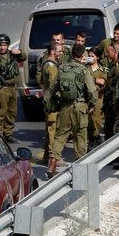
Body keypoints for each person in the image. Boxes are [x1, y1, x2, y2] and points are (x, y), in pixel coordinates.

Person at [46, 44, 97, 178]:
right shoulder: (83, 70)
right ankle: (80, 171)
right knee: (80, 137)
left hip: (64, 107)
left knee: (60, 136)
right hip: (80, 107)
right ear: (82, 56)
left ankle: (52, 165)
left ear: (72, 54)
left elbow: (51, 89)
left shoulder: (62, 68)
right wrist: (91, 105)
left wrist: (50, 105)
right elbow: (92, 91)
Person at [39, 41, 63, 162]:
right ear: (53, 52)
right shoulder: (52, 67)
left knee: (49, 128)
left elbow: (42, 81)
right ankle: (53, 158)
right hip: (53, 102)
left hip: (48, 100)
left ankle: (46, 155)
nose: (61, 53)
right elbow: (54, 86)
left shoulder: (46, 63)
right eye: (59, 51)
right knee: (53, 129)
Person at [87, 46, 108, 149]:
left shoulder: (102, 69)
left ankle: (96, 138)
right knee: (87, 120)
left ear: (97, 57)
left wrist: (91, 78)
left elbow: (102, 81)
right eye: (89, 56)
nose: (90, 58)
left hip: (97, 97)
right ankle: (91, 138)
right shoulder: (85, 68)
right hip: (86, 97)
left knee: (96, 119)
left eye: (92, 56)